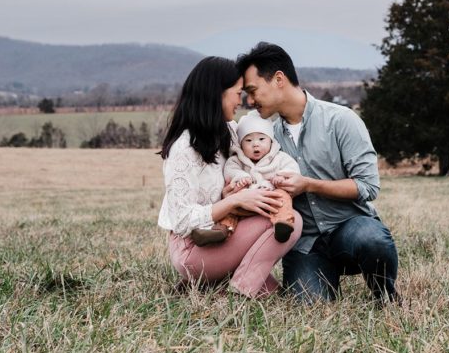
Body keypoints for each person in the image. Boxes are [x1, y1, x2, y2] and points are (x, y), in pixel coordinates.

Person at [235, 42, 399, 303]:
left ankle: (385, 296)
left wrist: (309, 185)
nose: (250, 101)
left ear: (279, 79)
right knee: (311, 308)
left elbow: (368, 187)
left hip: (349, 227)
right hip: (305, 245)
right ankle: (320, 279)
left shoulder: (341, 120)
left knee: (372, 240)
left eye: (253, 91)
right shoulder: (265, 139)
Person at [157, 56, 303, 298]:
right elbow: (182, 220)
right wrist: (236, 201)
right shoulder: (183, 149)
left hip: (225, 234)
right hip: (193, 247)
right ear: (217, 94)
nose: (241, 100)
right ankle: (238, 290)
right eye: (237, 93)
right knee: (292, 220)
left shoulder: (230, 132)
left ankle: (218, 283)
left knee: (272, 292)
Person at [217, 112, 300, 242]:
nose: (255, 144)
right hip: (245, 199)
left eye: (262, 139)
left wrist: (281, 178)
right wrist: (241, 177)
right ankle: (222, 228)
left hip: (270, 198)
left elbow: (292, 169)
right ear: (241, 144)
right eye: (248, 140)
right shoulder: (237, 159)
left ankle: (283, 223)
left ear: (271, 141)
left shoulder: (279, 157)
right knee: (230, 203)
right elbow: (230, 169)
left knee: (282, 196)